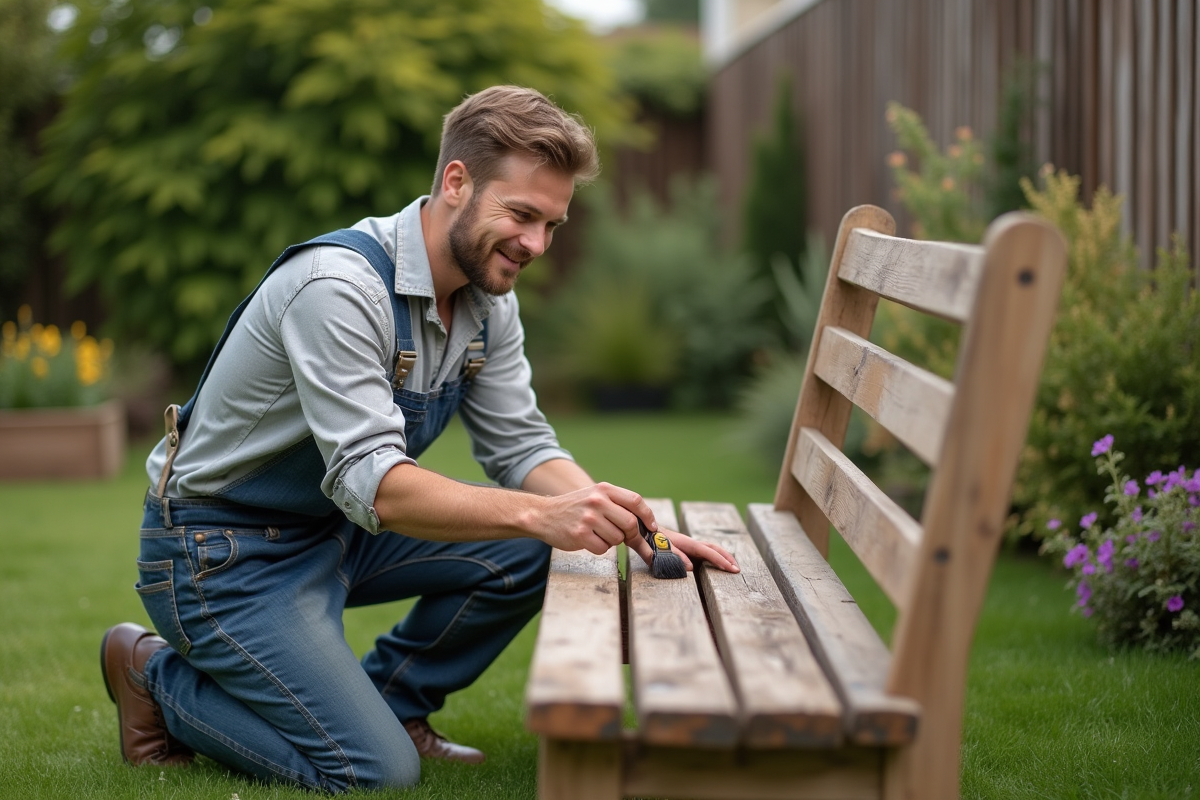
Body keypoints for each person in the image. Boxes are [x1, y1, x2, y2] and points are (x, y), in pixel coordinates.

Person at [99, 85, 739, 792]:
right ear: (456, 183)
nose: (536, 245)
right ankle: (152, 673)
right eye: (522, 215)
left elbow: (521, 446)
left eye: (551, 224)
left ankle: (395, 705)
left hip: (332, 529)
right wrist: (541, 514)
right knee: (373, 774)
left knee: (534, 551)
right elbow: (373, 482)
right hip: (219, 556)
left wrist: (633, 527)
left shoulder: (488, 301)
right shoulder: (337, 288)